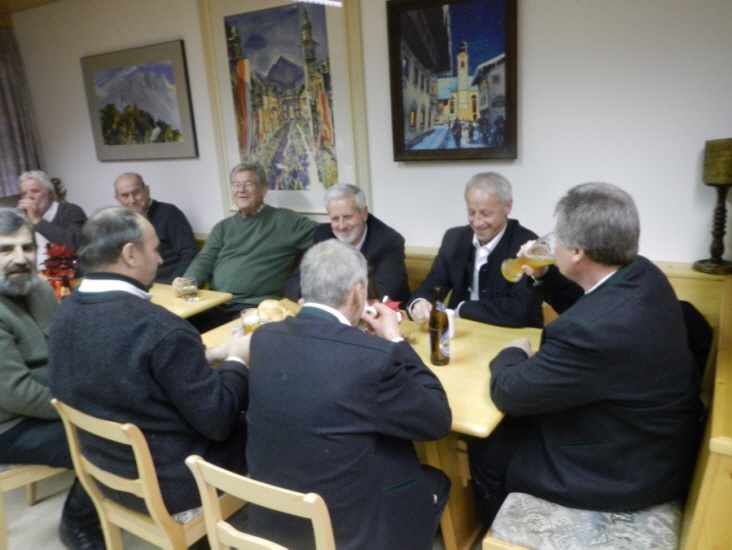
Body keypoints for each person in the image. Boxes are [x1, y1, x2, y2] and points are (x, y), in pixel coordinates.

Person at [468, 182, 704, 525]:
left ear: (577, 252)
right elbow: (591, 306)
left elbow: (510, 393)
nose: (552, 243)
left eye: (557, 237)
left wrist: (511, 352)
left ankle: (497, 531)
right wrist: (543, 276)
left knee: (488, 445)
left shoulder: (588, 333)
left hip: (625, 469)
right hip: (656, 437)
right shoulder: (642, 273)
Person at [246, 239, 452, 549]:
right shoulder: (372, 358)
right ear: (358, 293)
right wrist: (395, 340)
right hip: (347, 535)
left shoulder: (263, 338)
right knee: (435, 478)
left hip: (273, 520)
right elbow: (437, 420)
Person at [48, 206, 250, 518]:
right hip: (175, 485)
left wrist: (207, 355)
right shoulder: (159, 327)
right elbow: (219, 421)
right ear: (130, 254)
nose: (159, 260)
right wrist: (237, 358)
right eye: (154, 250)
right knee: (268, 419)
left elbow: (131, 373)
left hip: (105, 474)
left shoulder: (64, 312)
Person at [0, 207, 101, 550]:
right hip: (10, 425)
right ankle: (78, 521)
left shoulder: (40, 288)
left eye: (27, 247)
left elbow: (68, 350)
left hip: (52, 403)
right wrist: (82, 407)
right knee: (107, 440)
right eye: (5, 249)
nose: (20, 258)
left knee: (128, 418)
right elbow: (16, 394)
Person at [173, 162, 317, 332]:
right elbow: (204, 260)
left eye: (248, 184)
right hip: (215, 302)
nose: (241, 190)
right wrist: (186, 282)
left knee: (227, 338)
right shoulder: (223, 227)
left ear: (263, 189)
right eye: (236, 184)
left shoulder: (287, 221)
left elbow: (325, 238)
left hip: (255, 307)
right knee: (175, 328)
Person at [407, 172, 543, 328]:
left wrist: (462, 309)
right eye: (471, 212)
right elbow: (433, 284)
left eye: (486, 213)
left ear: (507, 207)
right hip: (461, 332)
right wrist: (420, 302)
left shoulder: (527, 246)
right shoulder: (454, 239)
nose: (477, 222)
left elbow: (519, 310)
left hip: (512, 334)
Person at [283, 183, 411, 305]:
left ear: (364, 214)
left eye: (348, 217)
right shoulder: (323, 235)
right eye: (335, 219)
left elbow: (382, 294)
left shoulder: (388, 241)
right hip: (337, 312)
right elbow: (293, 282)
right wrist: (304, 297)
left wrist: (320, 298)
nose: (342, 226)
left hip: (391, 315)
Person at [113, 172, 198, 284]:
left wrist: (173, 283)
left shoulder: (169, 213)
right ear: (118, 199)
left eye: (136, 192)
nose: (132, 200)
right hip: (135, 285)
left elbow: (189, 254)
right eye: (125, 196)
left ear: (147, 190)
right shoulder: (118, 222)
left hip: (167, 283)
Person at [17, 170, 87, 271]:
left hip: (69, 273)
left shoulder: (71, 211)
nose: (29, 197)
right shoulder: (24, 218)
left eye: (35, 191)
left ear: (50, 194)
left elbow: (74, 244)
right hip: (36, 275)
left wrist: (37, 220)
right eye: (24, 194)